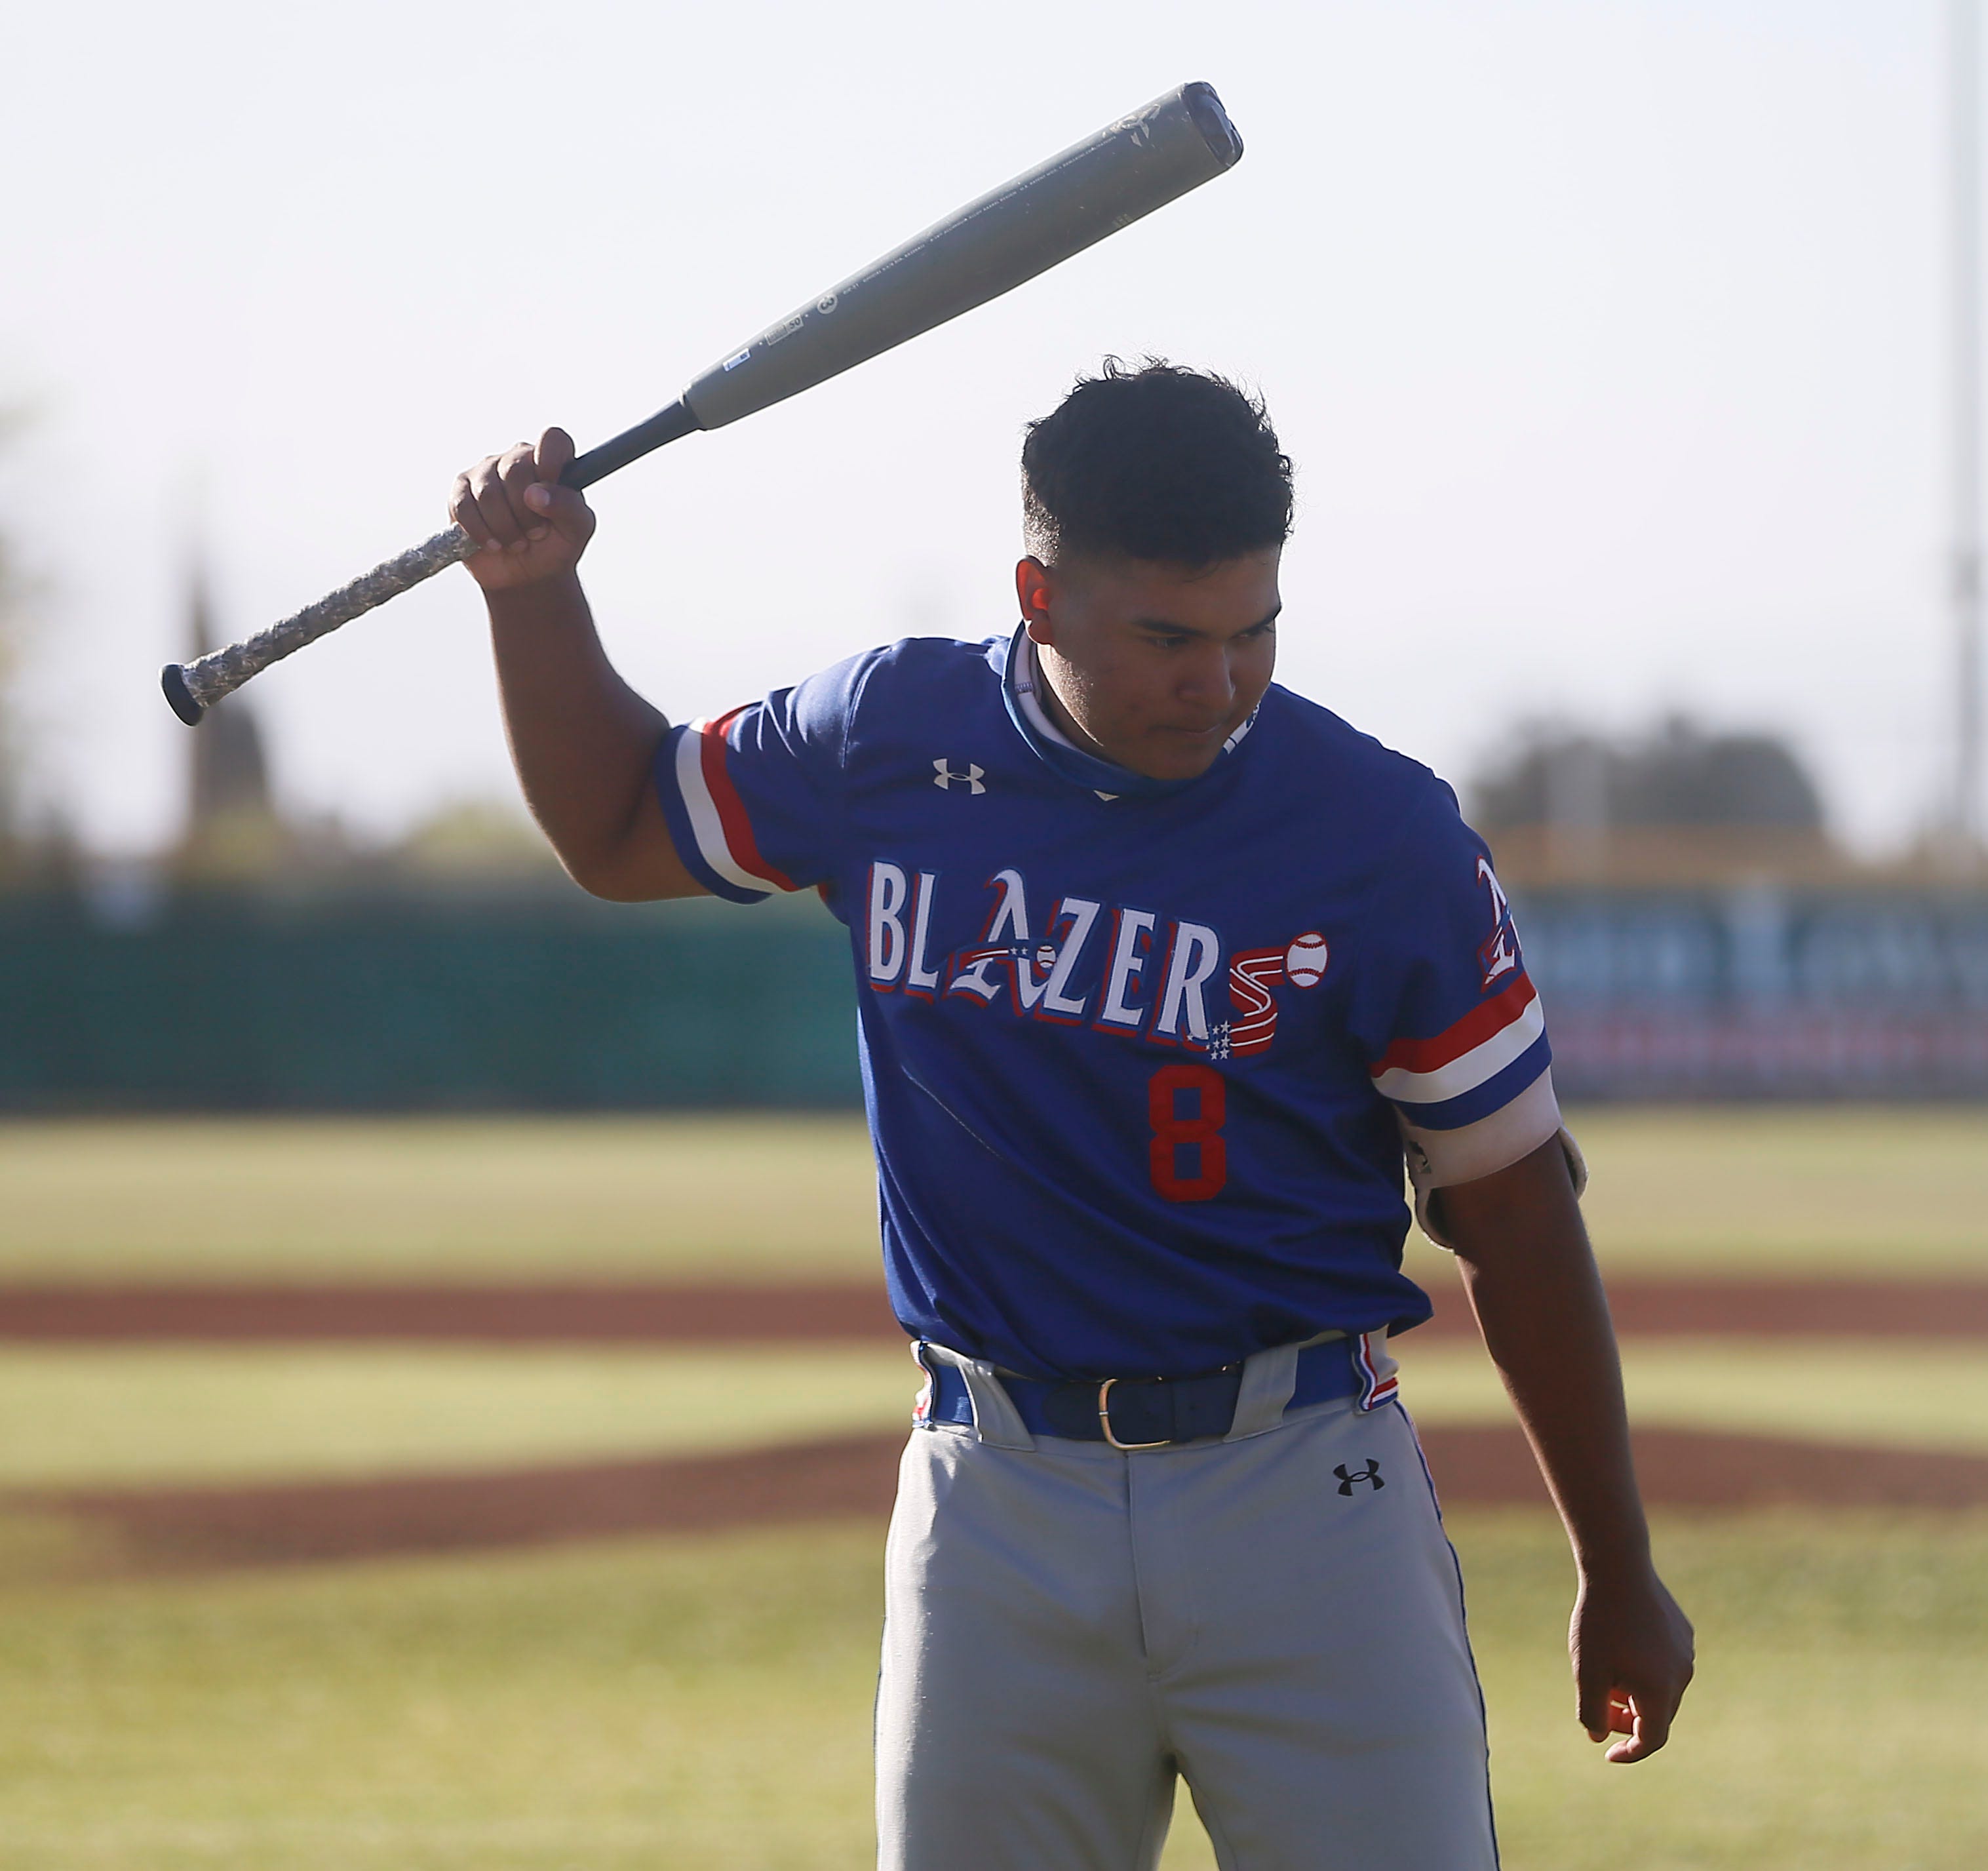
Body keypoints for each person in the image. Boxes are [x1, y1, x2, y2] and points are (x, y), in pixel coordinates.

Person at [452, 359, 1692, 1869]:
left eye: (1253, 631)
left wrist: (1615, 1561)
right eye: (1167, 636)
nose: (1217, 682)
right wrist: (533, 593)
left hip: (1304, 1494)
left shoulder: (1379, 833)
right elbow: (621, 826)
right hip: (994, 1497)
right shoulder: (884, 737)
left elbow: (1512, 1204)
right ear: (1037, 596)